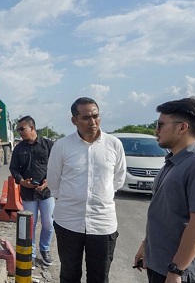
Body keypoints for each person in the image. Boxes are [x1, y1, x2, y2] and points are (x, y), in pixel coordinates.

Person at [134, 97, 195, 283]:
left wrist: (177, 270)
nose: (156, 130)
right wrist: (146, 244)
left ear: (182, 127)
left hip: (181, 272)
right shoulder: (173, 162)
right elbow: (164, 214)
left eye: (161, 124)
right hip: (160, 265)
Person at [47, 97, 126, 283]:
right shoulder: (62, 146)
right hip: (68, 222)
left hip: (102, 223)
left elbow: (118, 179)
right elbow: (53, 182)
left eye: (96, 116)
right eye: (86, 118)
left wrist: (100, 196)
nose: (92, 122)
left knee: (99, 276)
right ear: (74, 120)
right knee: (69, 274)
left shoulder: (114, 145)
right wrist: (74, 199)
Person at [9, 115, 55, 267]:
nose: (19, 132)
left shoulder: (48, 145)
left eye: (22, 129)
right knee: (30, 224)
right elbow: (13, 168)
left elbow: (58, 166)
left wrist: (49, 181)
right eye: (18, 129)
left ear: (32, 128)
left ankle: (45, 249)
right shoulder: (19, 148)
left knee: (48, 223)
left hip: (46, 192)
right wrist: (21, 181)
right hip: (28, 194)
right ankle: (31, 254)